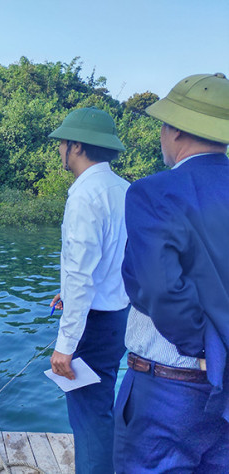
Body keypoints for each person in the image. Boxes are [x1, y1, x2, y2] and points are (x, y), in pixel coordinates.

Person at [114, 73, 229, 472]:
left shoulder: (153, 192)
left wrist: (205, 350)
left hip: (168, 392)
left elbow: (156, 288)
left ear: (174, 129)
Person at [48, 107, 131, 473]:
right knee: (101, 406)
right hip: (118, 317)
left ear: (76, 146)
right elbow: (115, 260)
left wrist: (64, 346)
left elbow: (82, 275)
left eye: (62, 143)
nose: (59, 150)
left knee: (88, 415)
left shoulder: (85, 196)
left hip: (92, 324)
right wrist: (66, 289)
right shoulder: (125, 189)